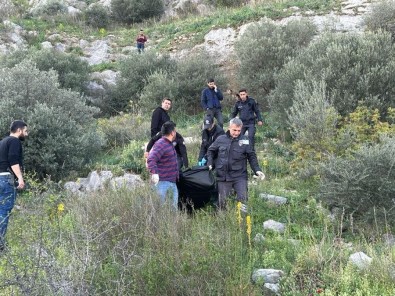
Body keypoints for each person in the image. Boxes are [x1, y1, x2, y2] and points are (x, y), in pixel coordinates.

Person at [206, 118, 265, 210]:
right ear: (229, 127)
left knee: (243, 200)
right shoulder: (221, 139)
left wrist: (257, 170)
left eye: (239, 130)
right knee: (222, 203)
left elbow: (252, 156)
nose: (236, 133)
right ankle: (222, 221)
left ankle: (243, 220)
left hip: (239, 176)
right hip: (223, 176)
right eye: (234, 130)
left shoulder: (245, 140)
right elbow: (210, 151)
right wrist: (209, 163)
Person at [0, 120, 28, 251]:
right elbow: (13, 160)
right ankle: (0, 245)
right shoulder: (14, 141)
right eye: (25, 131)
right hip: (6, 179)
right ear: (19, 130)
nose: (26, 134)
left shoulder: (3, 142)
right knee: (4, 211)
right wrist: (20, 178)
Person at [147, 121, 179, 209]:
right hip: (162, 183)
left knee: (172, 210)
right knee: (161, 210)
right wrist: (154, 173)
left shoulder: (168, 143)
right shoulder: (161, 144)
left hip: (171, 182)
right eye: (175, 131)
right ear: (172, 133)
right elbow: (151, 159)